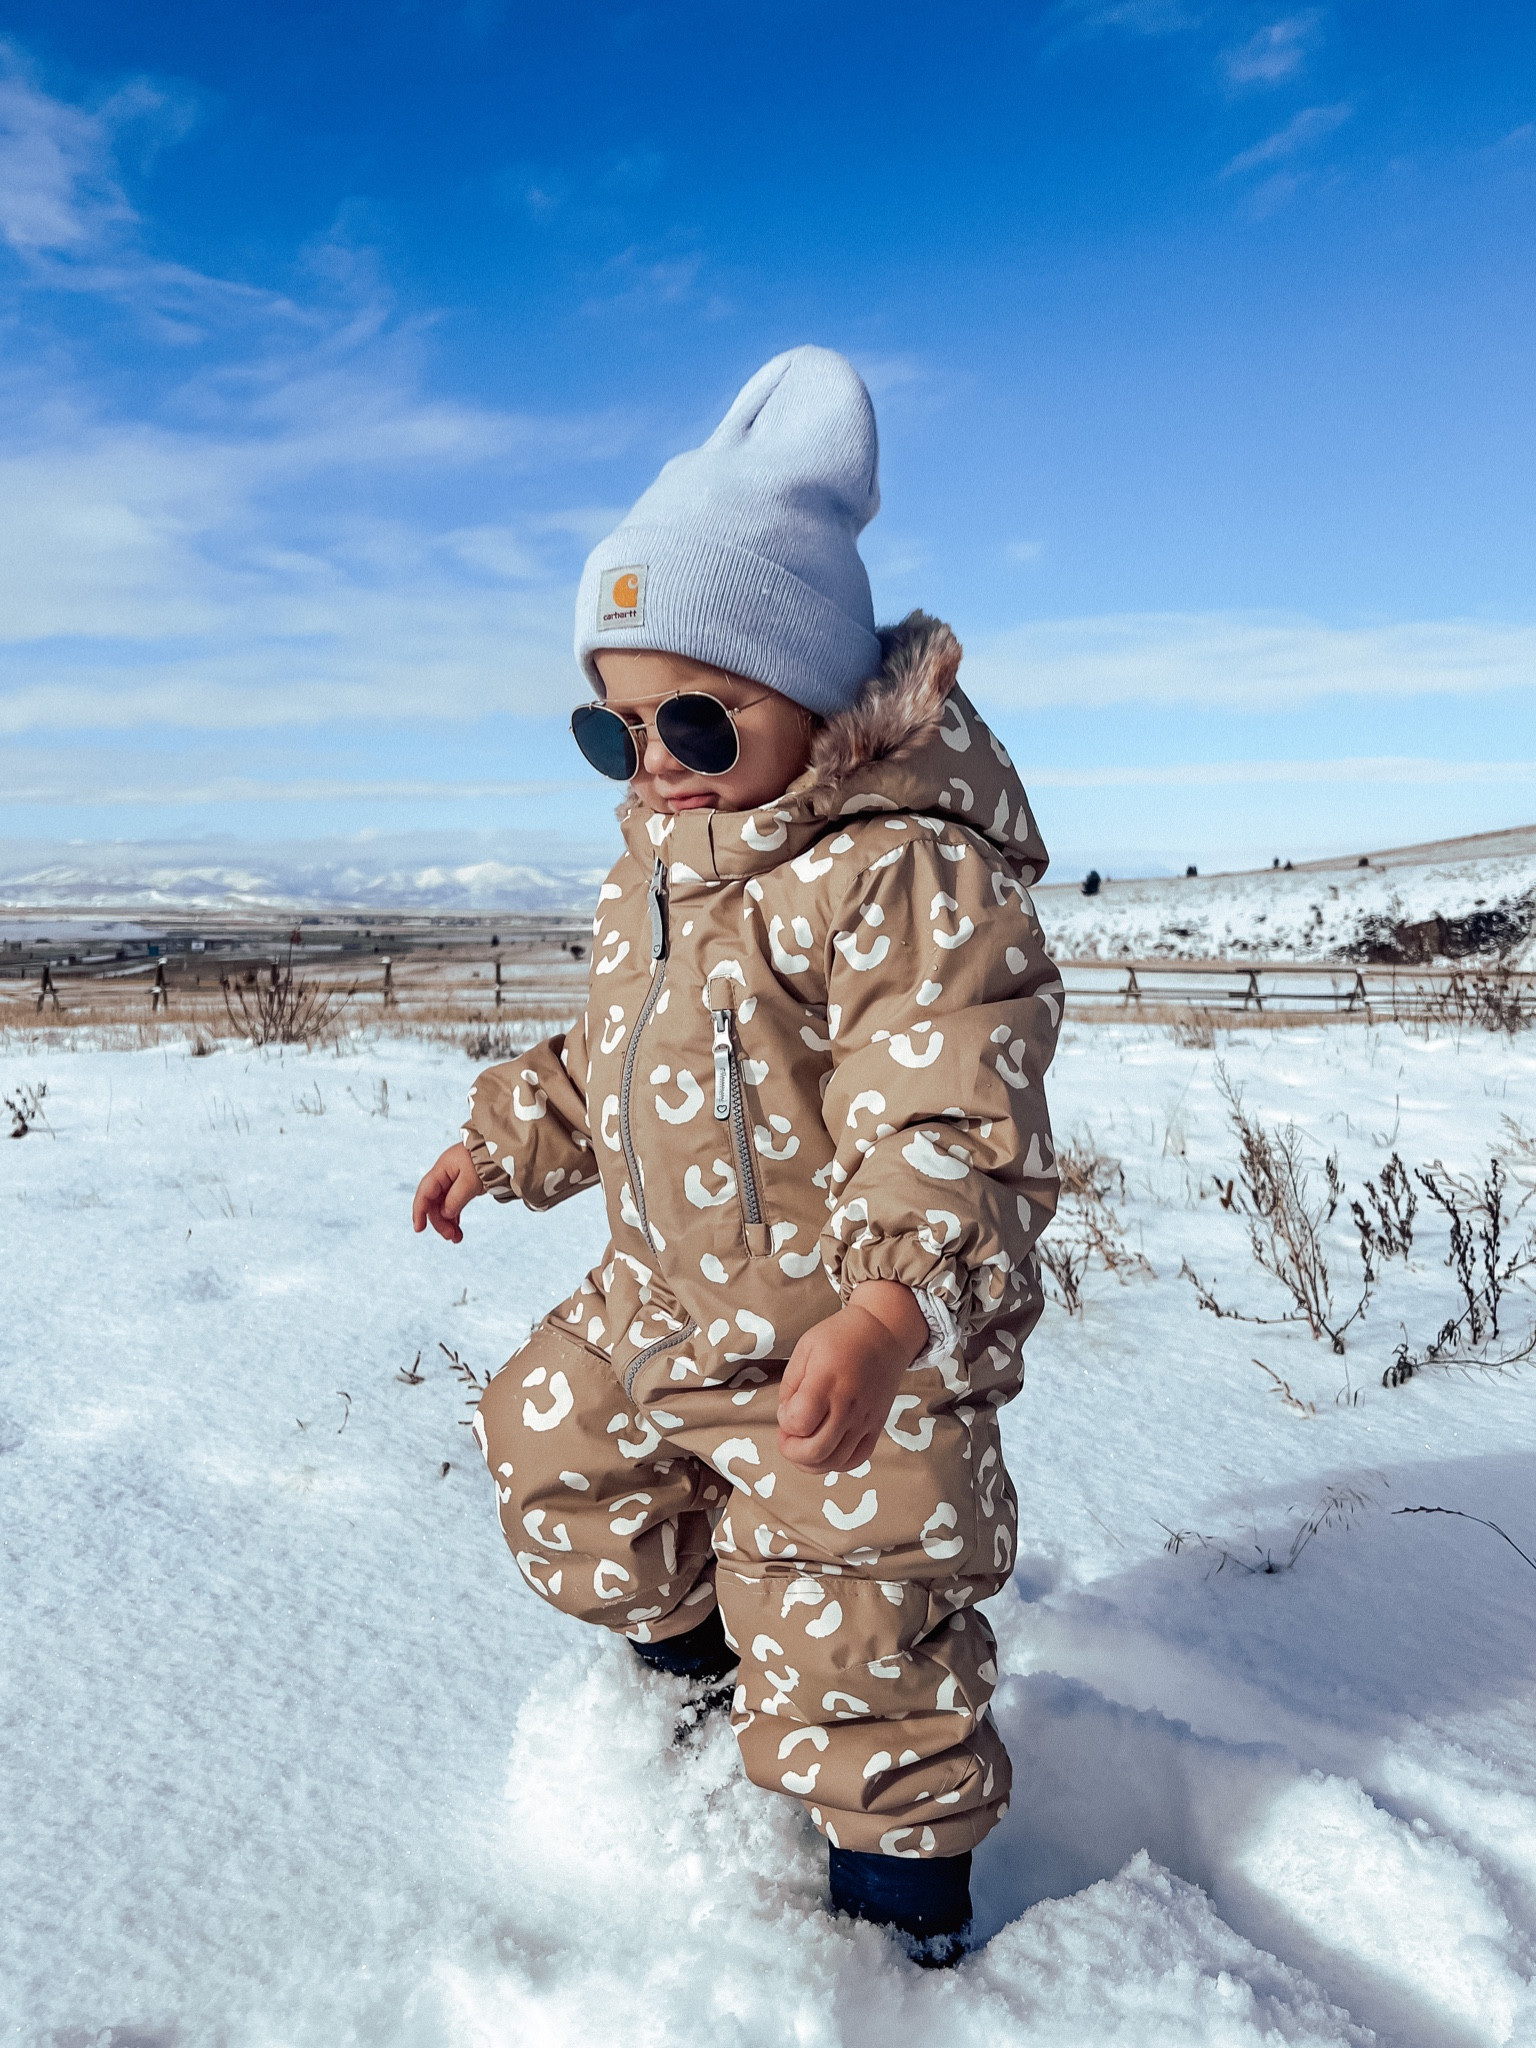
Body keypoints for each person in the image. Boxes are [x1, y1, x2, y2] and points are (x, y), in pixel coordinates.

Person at [413, 346, 1062, 1965]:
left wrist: (893, 1306)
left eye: (697, 713)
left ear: (819, 692)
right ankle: (708, 1691)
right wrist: (509, 1135)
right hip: (661, 1308)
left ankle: (906, 1921)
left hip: (848, 1351)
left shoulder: (899, 876)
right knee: (550, 1453)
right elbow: (616, 1060)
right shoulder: (661, 873)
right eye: (615, 728)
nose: (656, 761)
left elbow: (944, 1102)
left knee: (863, 1643)